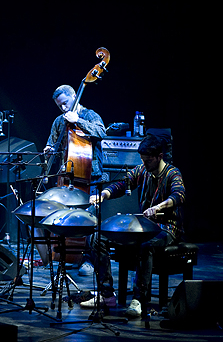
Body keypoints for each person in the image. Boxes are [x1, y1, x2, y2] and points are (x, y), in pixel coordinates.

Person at [79, 133, 186, 318]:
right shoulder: (142, 170)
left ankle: (139, 299)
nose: (144, 164)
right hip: (142, 227)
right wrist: (103, 195)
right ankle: (107, 294)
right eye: (142, 160)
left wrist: (158, 207)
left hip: (166, 228)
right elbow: (122, 184)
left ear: (159, 156)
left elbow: (179, 195)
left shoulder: (172, 173)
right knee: (97, 237)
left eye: (148, 160)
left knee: (146, 245)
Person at [42, 84, 106, 273]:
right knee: (65, 217)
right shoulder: (59, 121)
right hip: (67, 177)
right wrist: (49, 149)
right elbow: (52, 142)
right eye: (59, 105)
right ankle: (67, 255)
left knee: (89, 220)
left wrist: (78, 120)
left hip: (91, 176)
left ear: (74, 96)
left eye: (65, 103)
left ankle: (89, 260)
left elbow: (102, 132)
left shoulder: (89, 115)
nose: (63, 108)